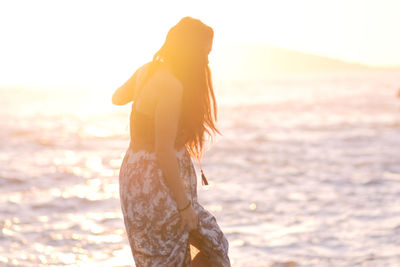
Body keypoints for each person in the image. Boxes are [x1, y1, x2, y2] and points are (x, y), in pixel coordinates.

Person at [112, 17, 231, 267]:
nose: (207, 61)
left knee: (172, 258)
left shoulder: (148, 71)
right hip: (157, 185)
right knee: (206, 249)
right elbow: (163, 152)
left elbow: (117, 97)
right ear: (189, 51)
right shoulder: (171, 86)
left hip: (135, 176)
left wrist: (144, 93)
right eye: (204, 53)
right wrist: (185, 206)